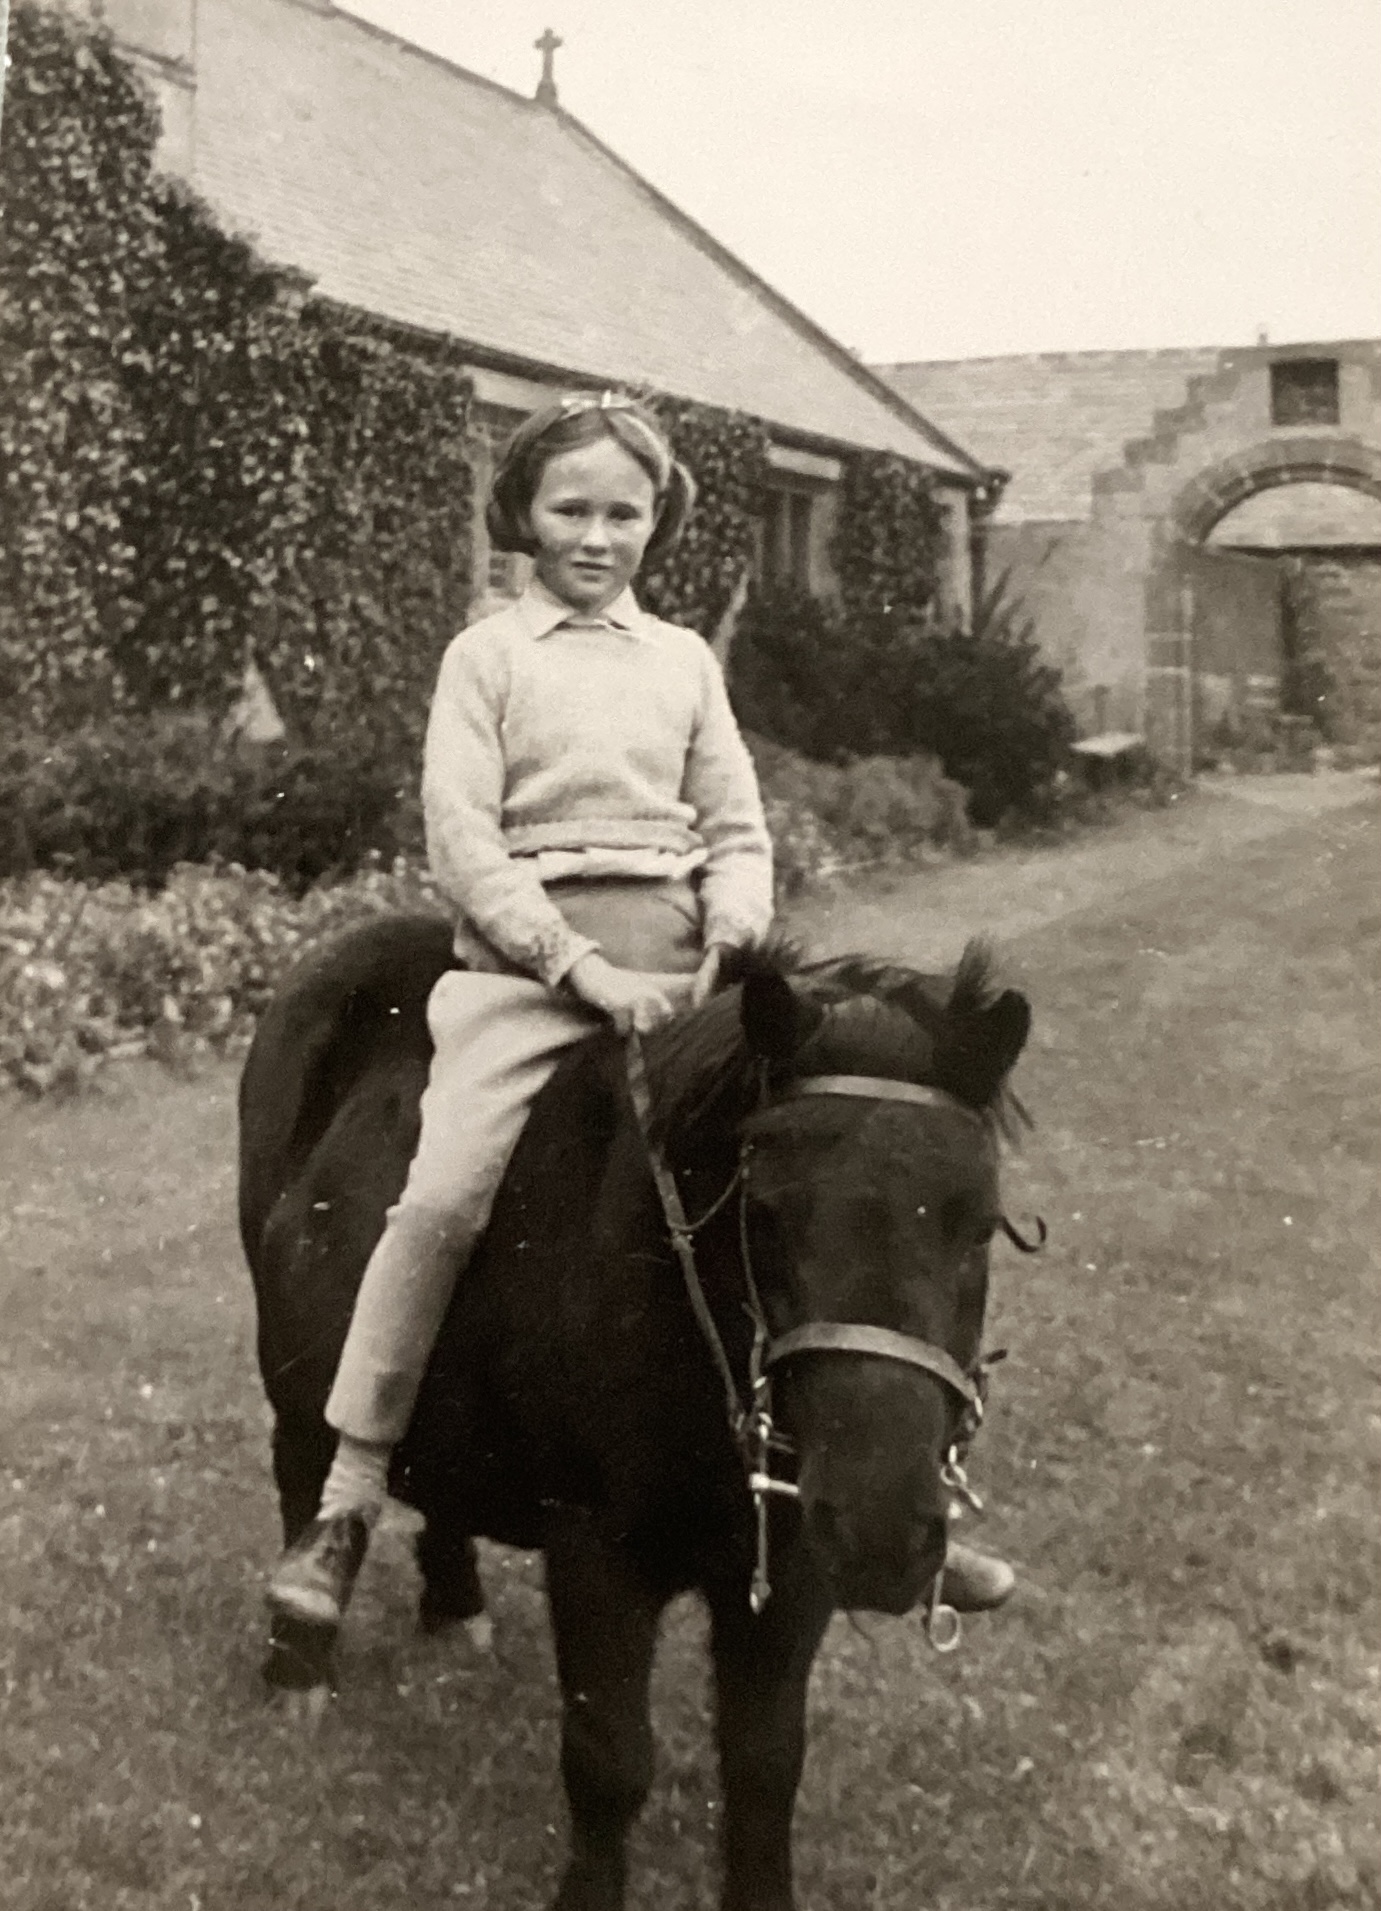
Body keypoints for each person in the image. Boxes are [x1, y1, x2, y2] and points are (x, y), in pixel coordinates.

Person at [266, 390, 1013, 1630]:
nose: (597, 536)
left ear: (655, 521)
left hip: (684, 980)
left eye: (624, 512)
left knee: (826, 1191)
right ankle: (348, 1496)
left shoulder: (680, 661)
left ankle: (894, 1492)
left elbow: (734, 827)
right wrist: (575, 965)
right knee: (444, 1197)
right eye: (571, 509)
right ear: (520, 517)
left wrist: (728, 936)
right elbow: (462, 843)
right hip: (524, 982)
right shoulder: (487, 658)